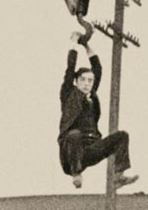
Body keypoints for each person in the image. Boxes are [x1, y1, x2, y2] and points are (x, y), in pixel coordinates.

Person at [58, 33, 136, 190]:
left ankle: (118, 176)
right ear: (76, 81)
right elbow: (70, 68)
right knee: (74, 134)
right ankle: (76, 174)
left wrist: (87, 46)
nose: (87, 84)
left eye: (90, 81)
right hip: (72, 151)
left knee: (122, 136)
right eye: (83, 80)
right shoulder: (69, 94)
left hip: (91, 148)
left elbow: (98, 69)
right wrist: (74, 43)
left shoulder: (92, 96)